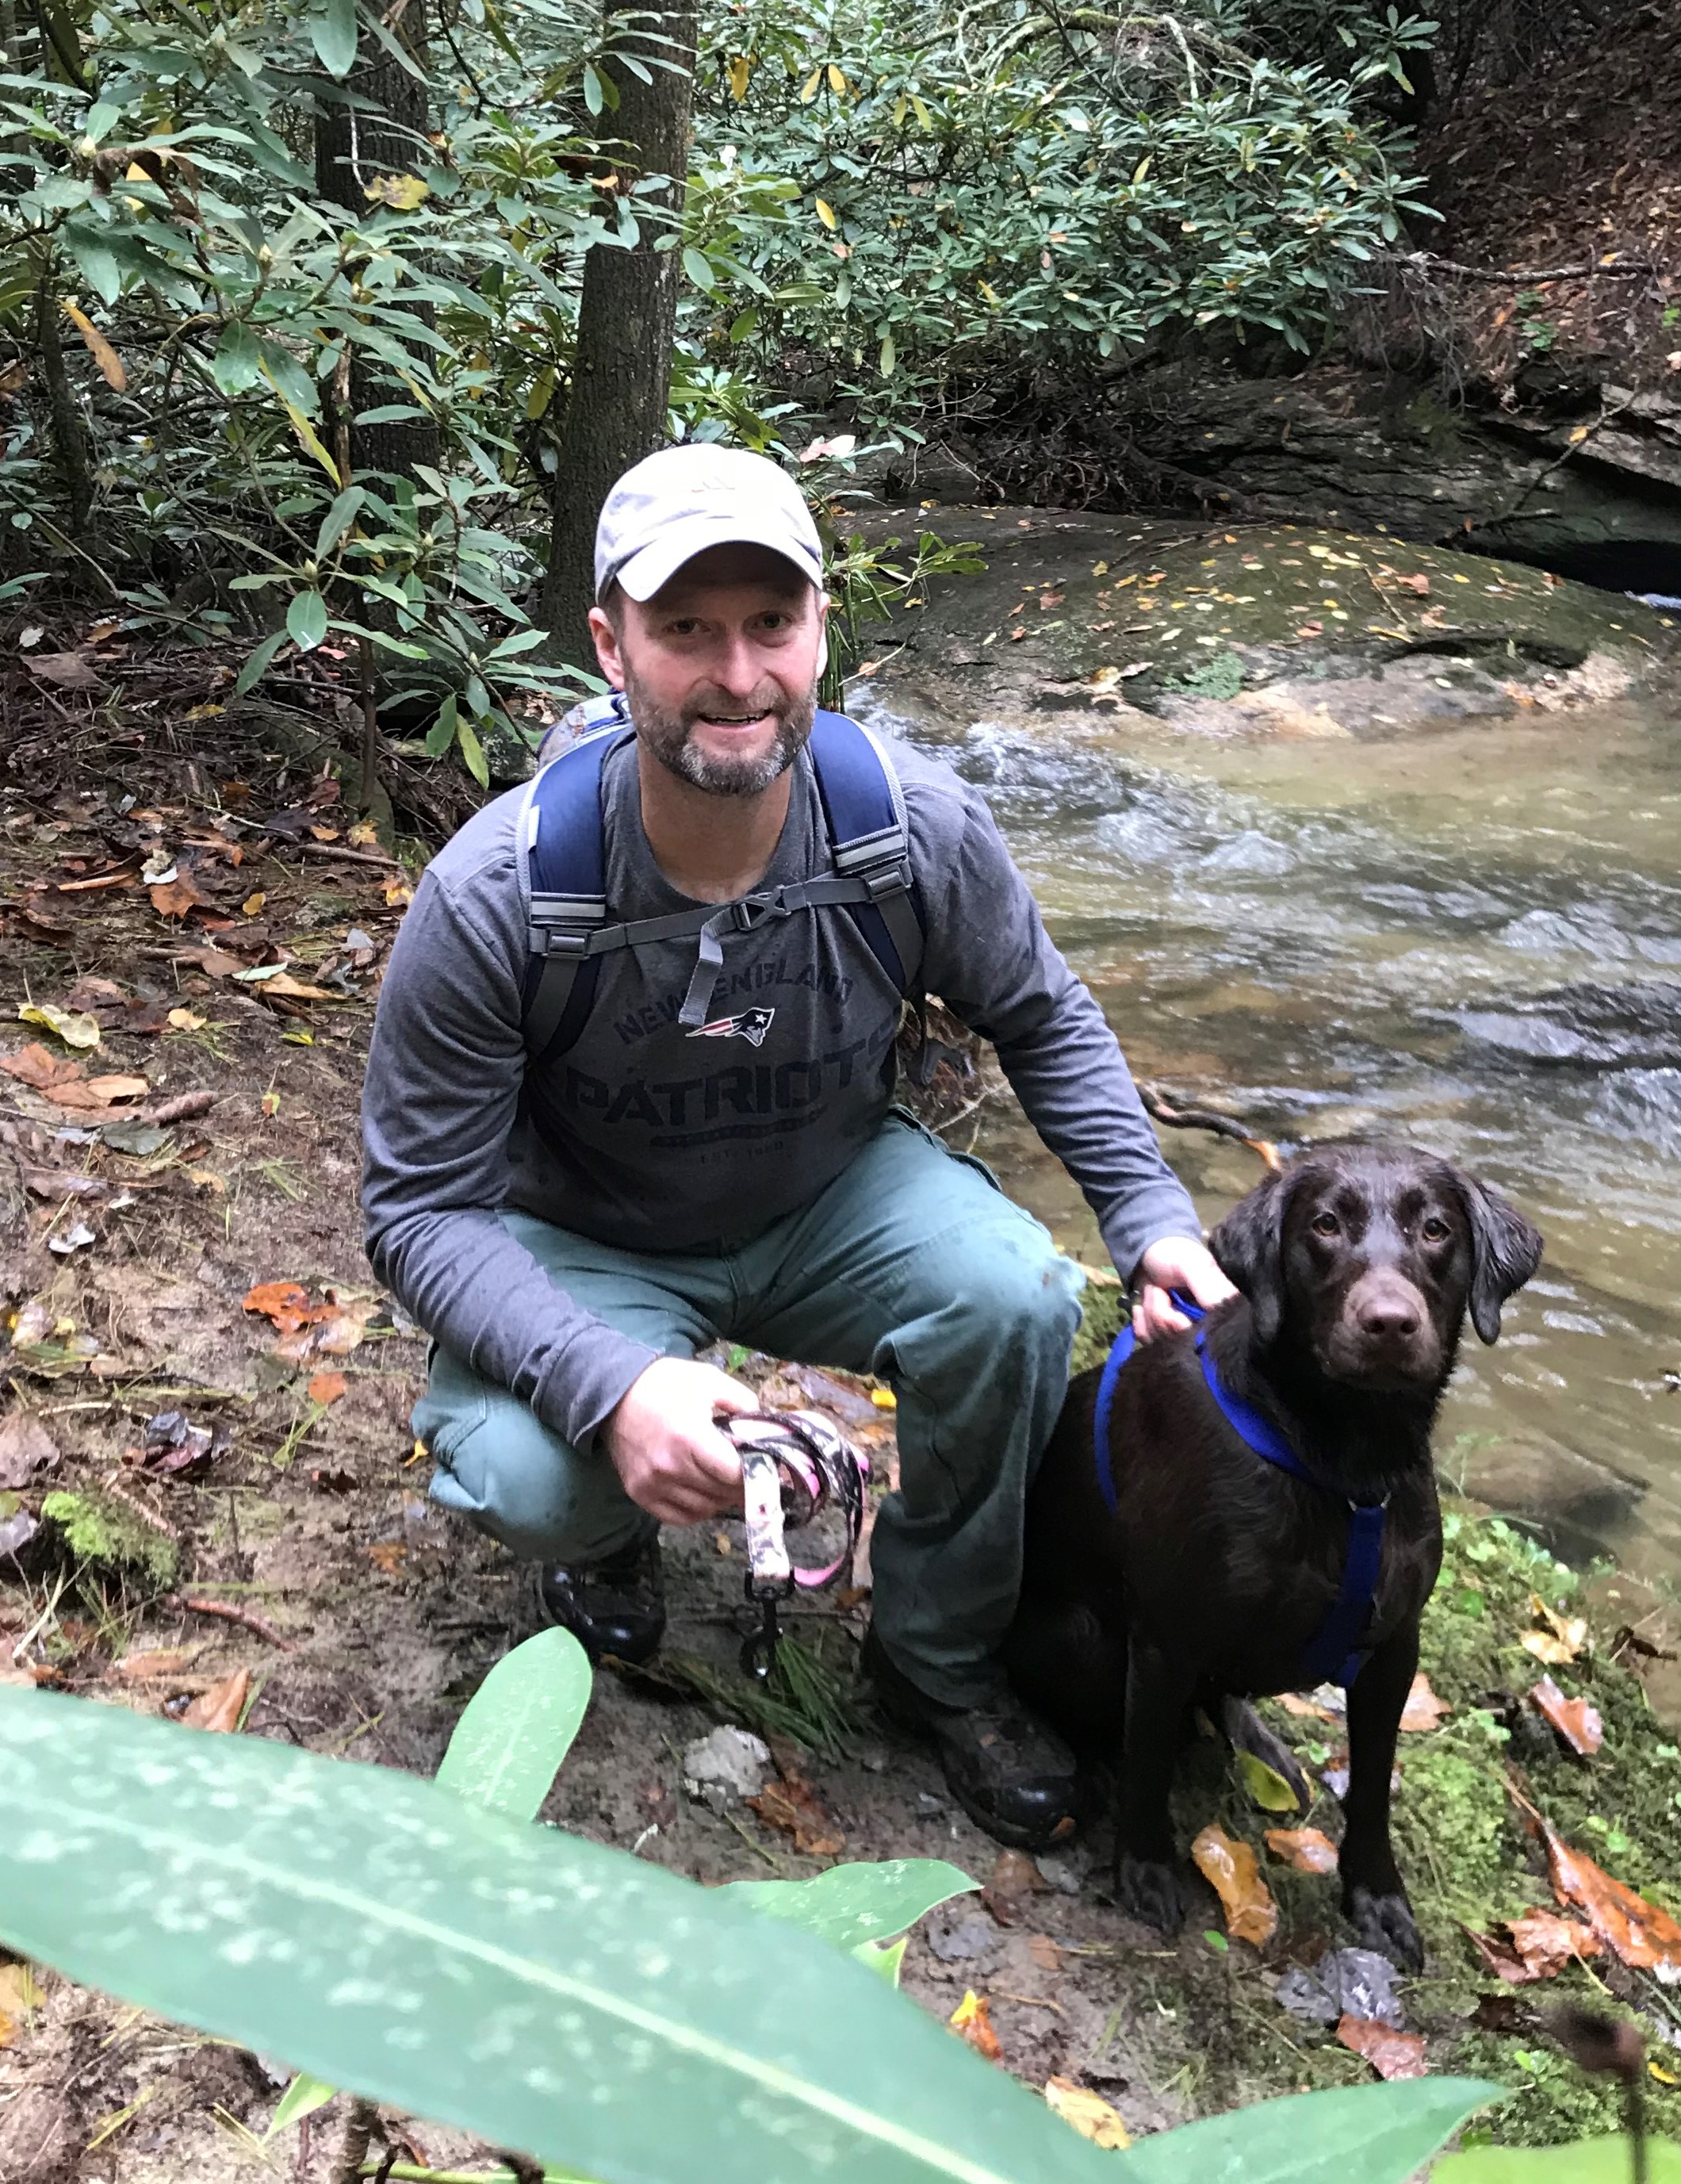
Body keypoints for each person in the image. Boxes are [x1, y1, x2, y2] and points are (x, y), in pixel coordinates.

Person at [360, 443, 1233, 1847]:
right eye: (686, 629)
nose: (739, 673)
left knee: (1017, 1296)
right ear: (610, 646)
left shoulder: (912, 829)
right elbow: (418, 1211)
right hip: (593, 1234)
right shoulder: (497, 893)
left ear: (824, 626)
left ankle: (933, 1659)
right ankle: (604, 1537)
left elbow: (1045, 1014)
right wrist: (614, 1386)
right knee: (534, 1472)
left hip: (830, 1192)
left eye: (772, 624)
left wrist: (1152, 1217)